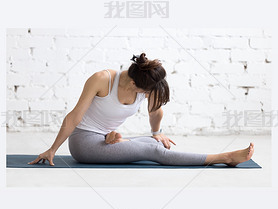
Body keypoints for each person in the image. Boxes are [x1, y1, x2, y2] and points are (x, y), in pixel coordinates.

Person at [29, 53, 254, 167]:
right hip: (84, 143)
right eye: (145, 93)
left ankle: (116, 139)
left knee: (154, 143)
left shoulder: (149, 84)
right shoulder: (102, 79)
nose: (147, 96)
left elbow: (155, 112)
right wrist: (52, 149)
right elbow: (74, 117)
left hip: (106, 139)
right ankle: (224, 157)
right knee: (154, 152)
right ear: (134, 85)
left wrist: (157, 132)